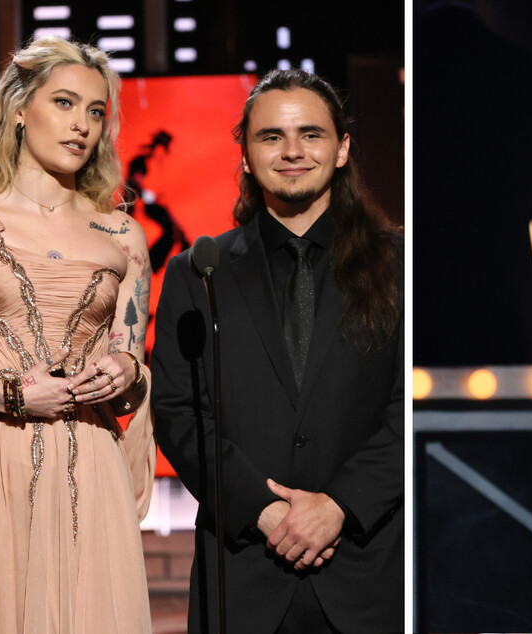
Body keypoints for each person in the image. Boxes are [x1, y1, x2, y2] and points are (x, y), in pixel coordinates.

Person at [152, 69, 403, 634]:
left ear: (341, 150)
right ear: (245, 153)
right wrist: (266, 514)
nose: (292, 151)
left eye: (310, 135)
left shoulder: (401, 266)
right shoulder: (198, 272)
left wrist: (338, 505)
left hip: (369, 576)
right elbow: (179, 412)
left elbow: (408, 408)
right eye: (271, 137)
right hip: (243, 578)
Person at [0, 37, 155, 632]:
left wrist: (126, 371)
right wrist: (10, 397)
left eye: (96, 111)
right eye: (64, 102)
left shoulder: (123, 236)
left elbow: (131, 361)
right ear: (20, 108)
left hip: (88, 464)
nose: (82, 124)